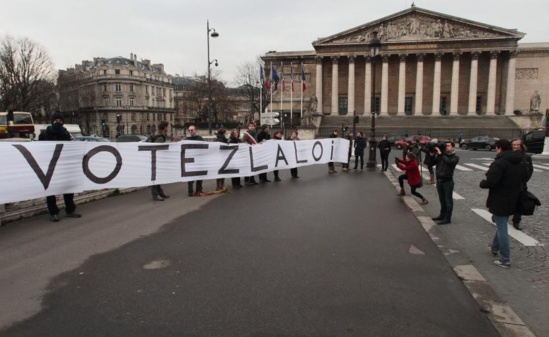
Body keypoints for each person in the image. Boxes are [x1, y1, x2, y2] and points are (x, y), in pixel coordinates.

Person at [480, 139, 523, 269]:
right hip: (514, 197)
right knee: (501, 223)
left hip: (500, 199)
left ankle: (505, 259)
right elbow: (525, 177)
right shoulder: (519, 161)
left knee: (502, 227)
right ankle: (494, 247)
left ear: (499, 148)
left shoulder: (499, 163)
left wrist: (483, 182)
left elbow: (492, 182)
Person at [39, 110, 82, 222]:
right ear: (52, 121)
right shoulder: (44, 134)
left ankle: (70, 209)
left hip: (64, 166)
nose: (58, 122)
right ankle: (53, 212)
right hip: (51, 167)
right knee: (51, 191)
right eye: (56, 120)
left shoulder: (66, 134)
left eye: (60, 120)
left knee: (68, 189)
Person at [431, 141, 459, 225]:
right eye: (446, 146)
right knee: (442, 200)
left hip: (448, 182)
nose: (446, 147)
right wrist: (432, 155)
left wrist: (440, 154)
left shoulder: (455, 157)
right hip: (439, 180)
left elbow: (449, 162)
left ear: (453, 147)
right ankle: (442, 215)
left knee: (448, 200)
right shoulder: (441, 155)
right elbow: (432, 163)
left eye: (448, 146)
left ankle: (447, 218)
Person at [511, 139, 534, 230]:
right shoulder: (507, 155)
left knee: (519, 203)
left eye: (518, 145)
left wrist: (525, 180)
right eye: (514, 145)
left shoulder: (526, 157)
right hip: (509, 184)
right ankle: (499, 215)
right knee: (507, 201)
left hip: (521, 184)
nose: (516, 146)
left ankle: (516, 221)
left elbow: (530, 169)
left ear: (521, 146)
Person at [150, 121, 170, 201]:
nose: (167, 128)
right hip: (155, 159)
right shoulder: (159, 137)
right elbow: (158, 149)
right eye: (166, 127)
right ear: (164, 127)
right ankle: (155, 195)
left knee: (157, 177)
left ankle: (160, 193)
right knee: (154, 178)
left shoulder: (159, 134)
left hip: (155, 159)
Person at [186, 125, 205, 196]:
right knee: (190, 177)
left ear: (195, 130)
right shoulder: (187, 139)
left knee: (199, 176)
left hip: (199, 160)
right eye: (189, 130)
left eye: (192, 130)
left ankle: (199, 190)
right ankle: (190, 191)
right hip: (190, 161)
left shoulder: (200, 138)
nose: (191, 131)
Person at [215, 128, 229, 192]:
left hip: (219, 157)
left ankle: (219, 186)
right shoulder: (222, 138)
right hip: (222, 157)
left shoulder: (219, 137)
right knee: (222, 172)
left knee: (219, 173)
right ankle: (221, 186)